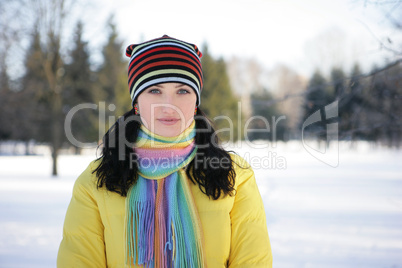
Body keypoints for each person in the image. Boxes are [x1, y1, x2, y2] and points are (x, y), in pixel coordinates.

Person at [57, 35, 272, 268]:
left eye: (182, 91)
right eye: (154, 91)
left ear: (196, 101)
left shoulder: (235, 176)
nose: (169, 104)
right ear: (136, 101)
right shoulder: (96, 180)